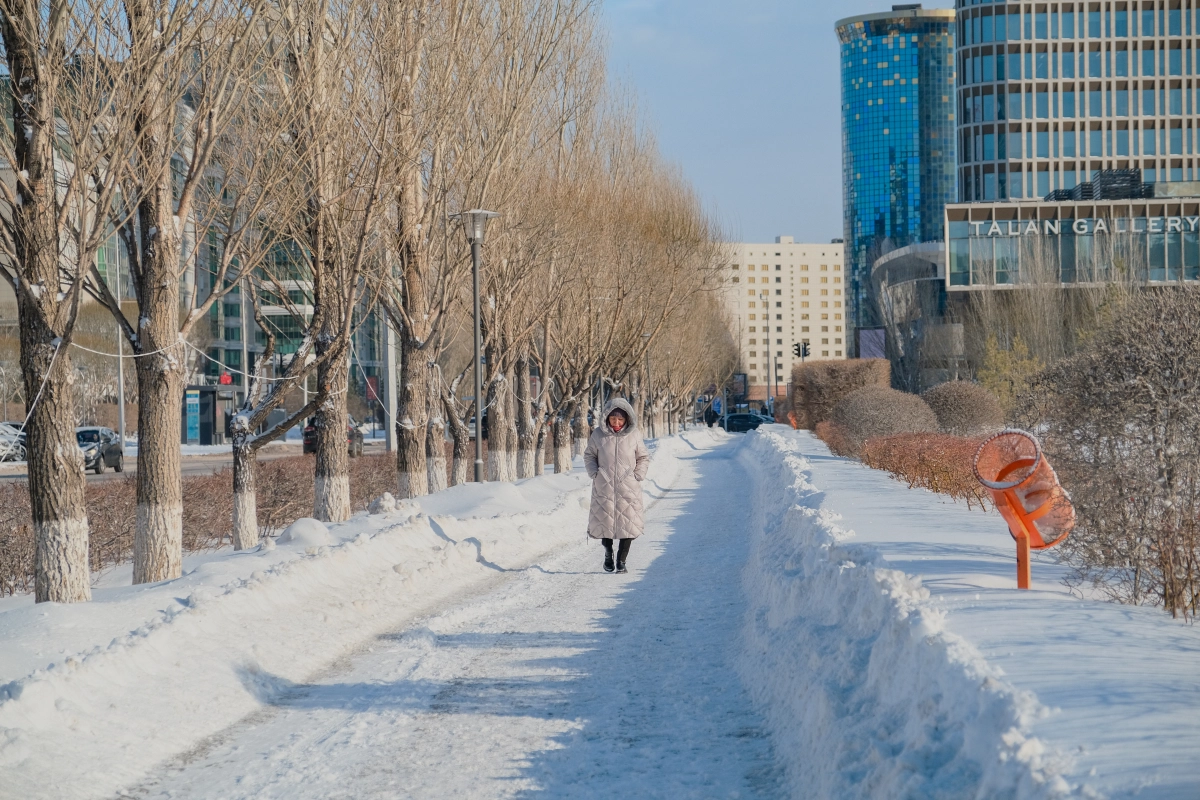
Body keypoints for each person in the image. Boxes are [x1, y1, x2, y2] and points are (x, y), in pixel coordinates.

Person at [584, 398, 650, 574]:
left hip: (628, 486)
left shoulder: (634, 435)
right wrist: (595, 474)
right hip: (604, 486)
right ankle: (608, 552)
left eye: (620, 419)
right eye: (613, 418)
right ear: (607, 418)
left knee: (628, 524)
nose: (616, 422)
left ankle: (621, 560)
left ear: (627, 419)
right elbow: (589, 455)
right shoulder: (598, 435)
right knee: (604, 522)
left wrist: (637, 475)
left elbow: (643, 457)